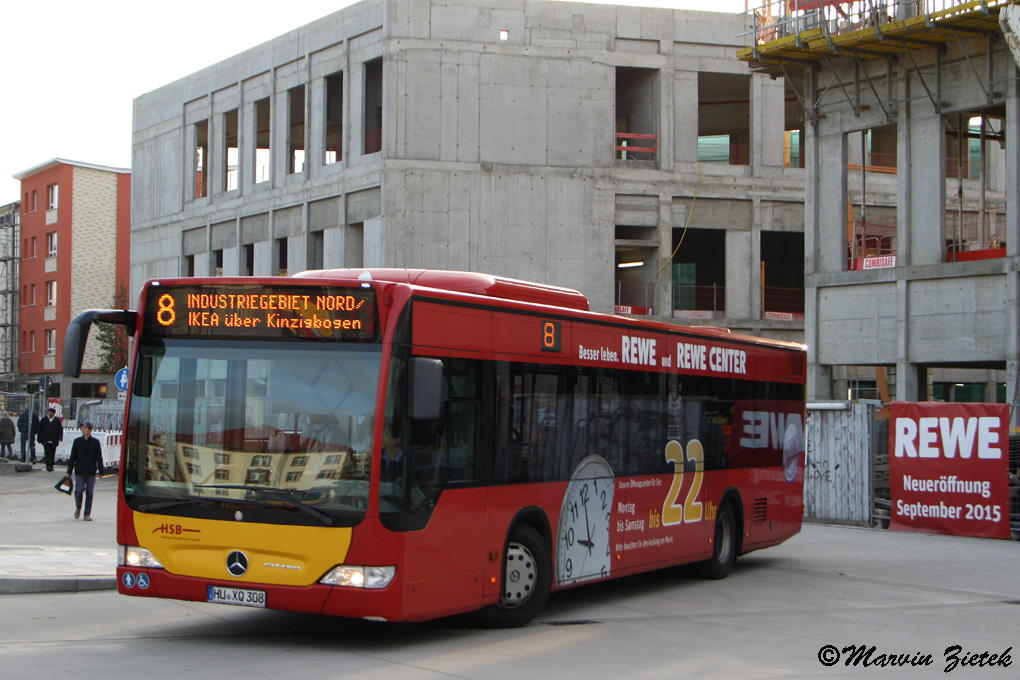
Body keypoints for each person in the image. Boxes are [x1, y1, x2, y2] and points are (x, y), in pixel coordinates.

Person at [64, 422, 103, 521]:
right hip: (80, 471)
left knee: (89, 493)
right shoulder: (77, 442)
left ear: (90, 430)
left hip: (91, 471)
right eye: (82, 428)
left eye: (85, 428)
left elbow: (99, 457)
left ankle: (87, 514)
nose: (83, 429)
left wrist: (101, 471)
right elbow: (73, 457)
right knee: (79, 490)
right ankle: (78, 506)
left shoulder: (95, 442)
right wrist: (69, 471)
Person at [37, 407, 63, 472]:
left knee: (52, 453)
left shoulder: (57, 421)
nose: (50, 414)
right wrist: (39, 438)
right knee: (47, 453)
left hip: (54, 440)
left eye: (51, 413)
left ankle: (51, 465)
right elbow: (40, 429)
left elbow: (60, 430)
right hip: (46, 440)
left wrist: (60, 438)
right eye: (49, 412)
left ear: (54, 414)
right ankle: (48, 466)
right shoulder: (44, 420)